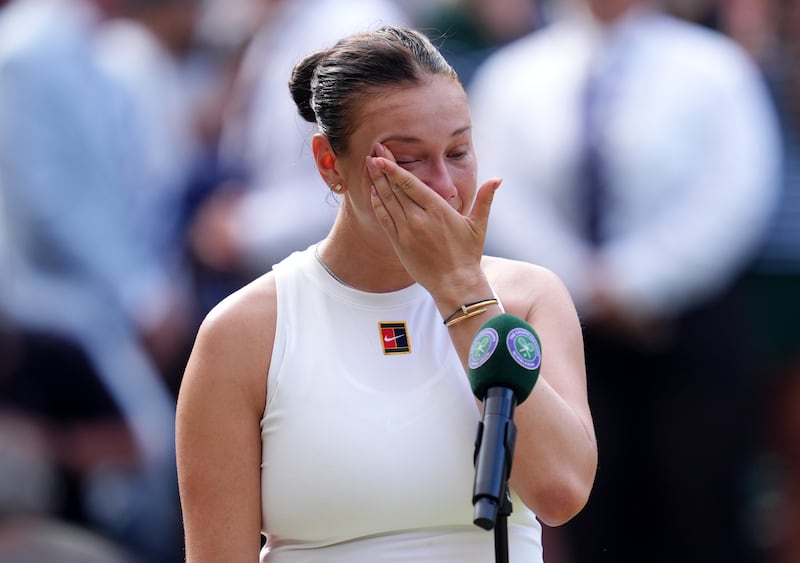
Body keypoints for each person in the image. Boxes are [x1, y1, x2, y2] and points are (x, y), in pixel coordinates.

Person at [176, 25, 597, 562]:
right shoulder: (243, 332)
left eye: (459, 151)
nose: (443, 185)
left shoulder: (528, 297)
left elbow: (561, 492)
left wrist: (463, 295)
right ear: (331, 164)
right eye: (407, 159)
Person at [468, 1, 782, 562]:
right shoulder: (514, 75)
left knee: (705, 513)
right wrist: (581, 286)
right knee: (595, 520)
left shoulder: (714, 69)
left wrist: (638, 281)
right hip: (571, 334)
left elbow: (737, 193)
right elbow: (499, 191)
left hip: (690, 328)